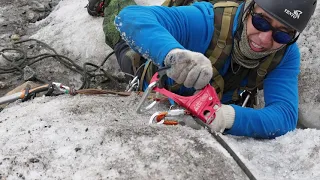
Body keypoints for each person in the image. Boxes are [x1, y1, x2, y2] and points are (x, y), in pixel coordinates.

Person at [91, 0, 317, 138]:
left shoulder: (285, 53)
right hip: (149, 72)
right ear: (249, 8)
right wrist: (173, 55)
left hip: (205, 103)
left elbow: (285, 116)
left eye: (282, 34)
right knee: (123, 44)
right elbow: (131, 18)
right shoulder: (208, 21)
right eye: (261, 22)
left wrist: (228, 118)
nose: (265, 38)